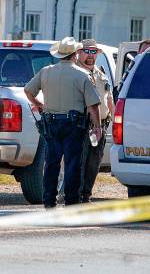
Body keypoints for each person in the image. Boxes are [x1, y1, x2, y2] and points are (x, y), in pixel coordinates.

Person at [24, 37, 101, 208]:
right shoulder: (83, 75)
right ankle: (71, 201)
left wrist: (39, 105)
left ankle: (49, 201)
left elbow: (28, 90)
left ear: (59, 55)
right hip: (74, 125)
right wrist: (97, 126)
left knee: (51, 163)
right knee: (73, 163)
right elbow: (93, 106)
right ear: (75, 54)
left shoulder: (45, 71)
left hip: (51, 124)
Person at [78, 39, 115, 203]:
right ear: (79, 52)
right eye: (87, 51)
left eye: (94, 52)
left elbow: (109, 98)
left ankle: (86, 194)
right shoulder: (76, 72)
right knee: (80, 160)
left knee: (94, 162)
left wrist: (114, 120)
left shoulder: (101, 72)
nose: (90, 55)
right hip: (82, 122)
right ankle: (75, 194)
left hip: (101, 124)